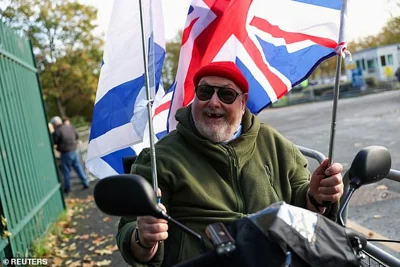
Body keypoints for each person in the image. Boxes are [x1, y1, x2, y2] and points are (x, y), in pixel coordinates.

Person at [116, 61, 344, 266]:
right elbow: (132, 237)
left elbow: (303, 206)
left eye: (226, 95)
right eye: (204, 92)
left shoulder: (275, 143)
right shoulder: (159, 158)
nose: (213, 102)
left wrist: (317, 194)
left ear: (243, 103)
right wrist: (144, 238)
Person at [50, 116, 89, 194]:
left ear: (55, 124)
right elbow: (76, 136)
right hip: (74, 151)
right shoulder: (70, 127)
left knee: (66, 170)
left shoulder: (57, 131)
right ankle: (85, 182)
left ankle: (67, 188)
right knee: (78, 167)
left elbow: (54, 142)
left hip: (65, 153)